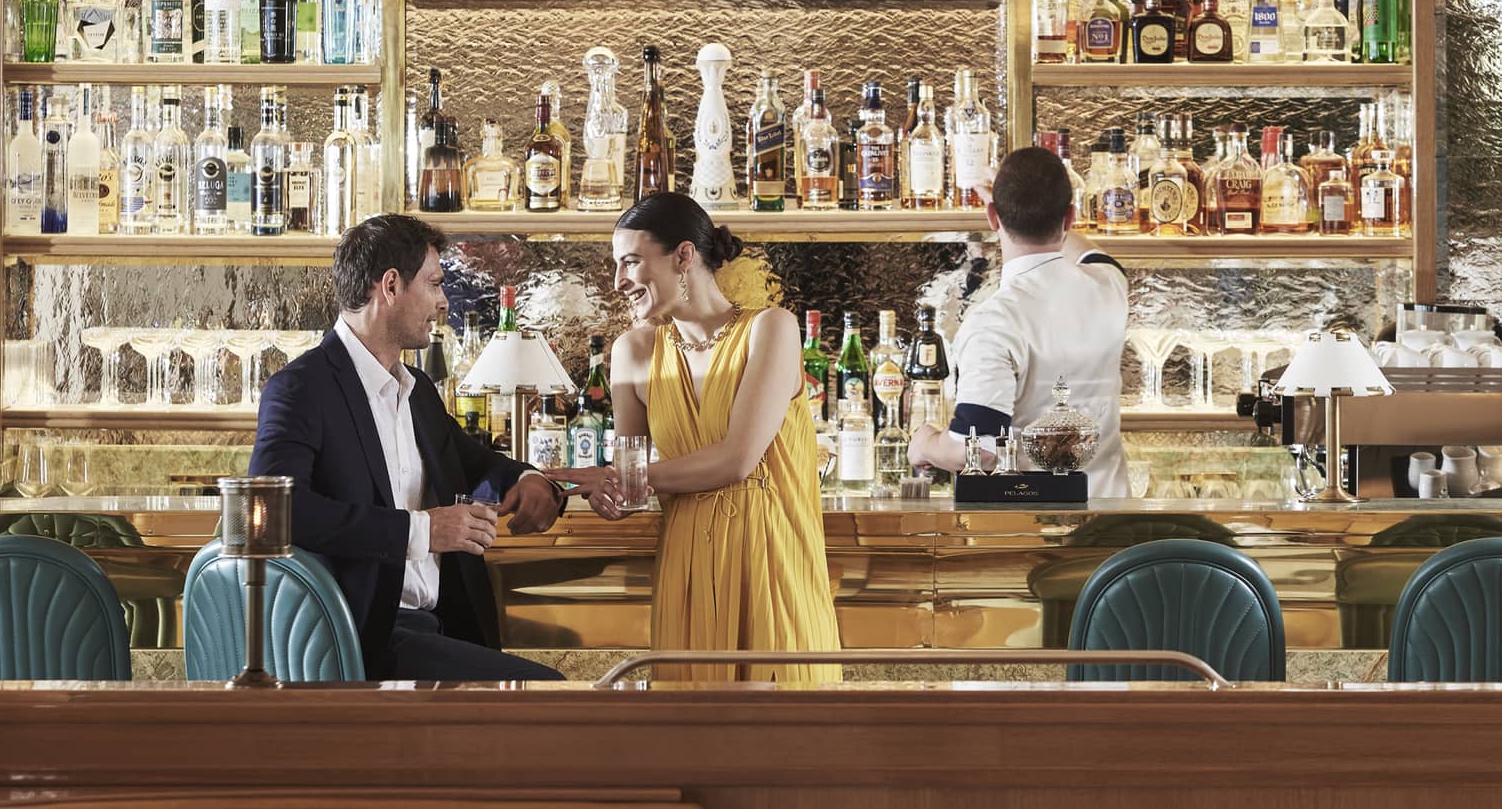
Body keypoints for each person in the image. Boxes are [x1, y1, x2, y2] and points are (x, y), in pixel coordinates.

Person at [249, 214, 565, 681]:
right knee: (551, 696)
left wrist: (528, 478)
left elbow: (472, 461)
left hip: (437, 630)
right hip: (360, 641)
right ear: (391, 286)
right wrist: (422, 531)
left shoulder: (417, 390)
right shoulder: (301, 389)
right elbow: (270, 511)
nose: (443, 302)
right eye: (435, 284)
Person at [543, 193, 842, 683]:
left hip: (772, 563)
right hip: (687, 570)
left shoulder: (771, 329)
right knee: (689, 722)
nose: (617, 281)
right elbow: (632, 480)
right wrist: (612, 492)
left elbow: (737, 459)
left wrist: (622, 476)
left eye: (630, 262)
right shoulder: (633, 351)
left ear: (684, 255)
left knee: (783, 721)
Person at [907, 147, 1130, 497]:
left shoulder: (993, 324)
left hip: (1033, 522)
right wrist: (1035, 204)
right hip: (1113, 517)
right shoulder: (1110, 284)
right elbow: (1090, 252)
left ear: (992, 217)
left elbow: (978, 451)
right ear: (1070, 218)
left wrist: (925, 443)